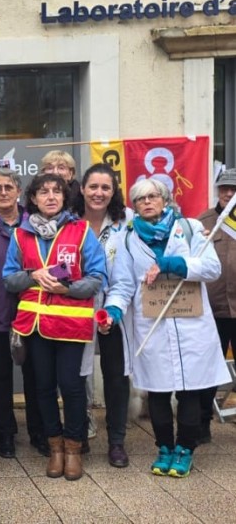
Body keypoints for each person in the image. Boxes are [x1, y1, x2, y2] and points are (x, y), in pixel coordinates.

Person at [102, 178, 229, 478]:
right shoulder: (127, 239)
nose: (147, 202)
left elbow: (212, 268)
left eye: (153, 196)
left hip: (191, 327)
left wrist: (171, 264)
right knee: (157, 391)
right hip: (152, 327)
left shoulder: (189, 229)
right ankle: (164, 448)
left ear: (165, 199)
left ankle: (185, 449)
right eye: (140, 199)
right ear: (134, 206)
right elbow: (122, 284)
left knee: (189, 392)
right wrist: (112, 310)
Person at [3, 173, 106, 481]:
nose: (50, 196)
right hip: (34, 326)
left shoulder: (82, 230)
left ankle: (74, 449)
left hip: (71, 325)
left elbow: (97, 278)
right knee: (43, 388)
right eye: (43, 192)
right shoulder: (20, 235)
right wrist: (33, 274)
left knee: (72, 388)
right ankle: (55, 448)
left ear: (64, 197)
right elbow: (8, 279)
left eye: (56, 192)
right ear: (32, 199)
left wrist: (68, 288)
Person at [0, 169, 46, 458]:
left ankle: (39, 431)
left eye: (8, 187)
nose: (3, 192)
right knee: (0, 379)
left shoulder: (37, 225)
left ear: (18, 190)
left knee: (36, 376)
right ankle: (5, 433)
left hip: (34, 313)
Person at [71, 163, 132, 467]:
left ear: (113, 191)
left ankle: (117, 442)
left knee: (116, 378)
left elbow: (125, 275)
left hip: (113, 312)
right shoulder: (68, 223)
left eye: (105, 187)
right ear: (81, 189)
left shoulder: (127, 223)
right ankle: (79, 434)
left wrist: (112, 310)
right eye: (92, 186)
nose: (98, 193)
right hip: (75, 311)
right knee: (77, 376)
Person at [199, 168, 236, 443]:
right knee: (209, 371)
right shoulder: (205, 220)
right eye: (224, 188)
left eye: (233, 188)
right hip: (213, 309)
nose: (228, 193)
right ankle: (202, 425)